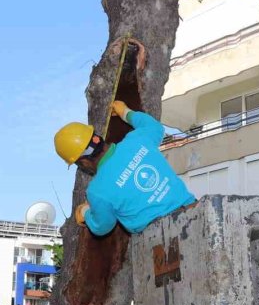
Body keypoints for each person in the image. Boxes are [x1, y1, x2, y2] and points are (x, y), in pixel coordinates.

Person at [54, 100, 196, 236]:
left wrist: (85, 213)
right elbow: (156, 128)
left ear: (83, 162)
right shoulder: (137, 140)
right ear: (96, 137)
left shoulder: (97, 191)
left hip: (160, 237)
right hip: (194, 211)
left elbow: (103, 227)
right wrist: (126, 113)